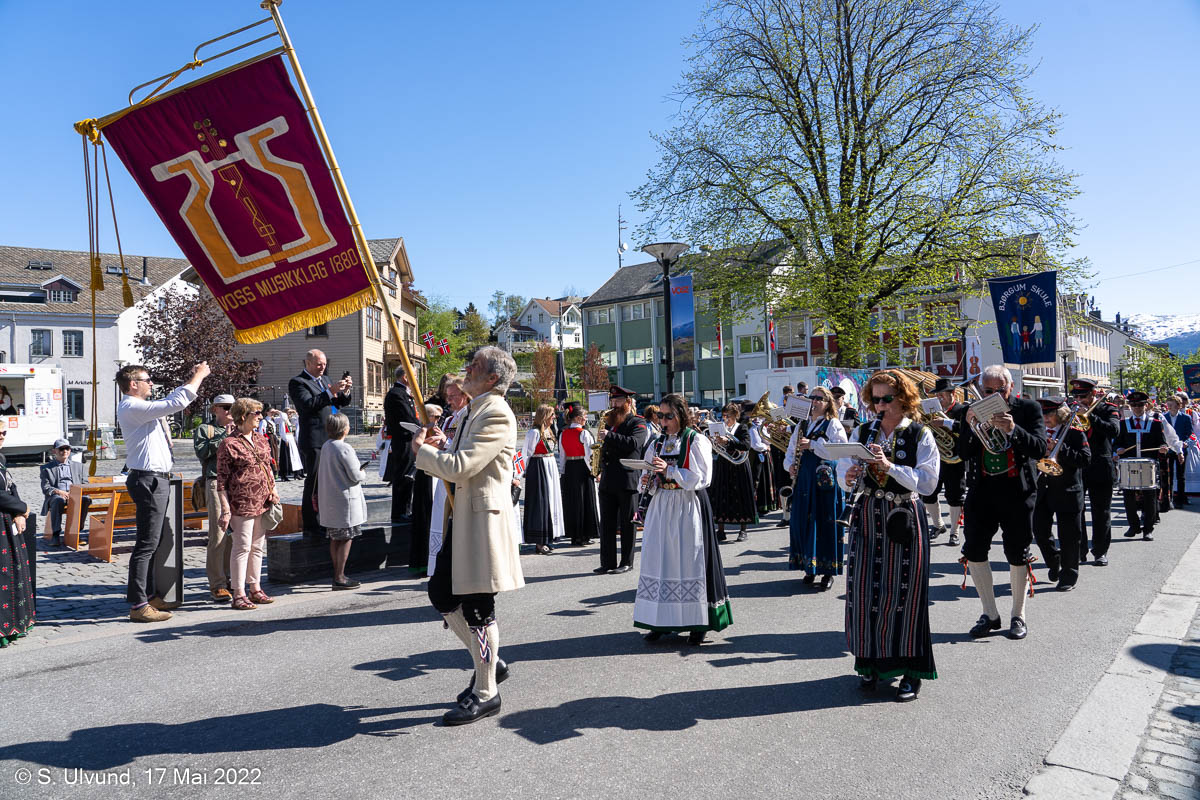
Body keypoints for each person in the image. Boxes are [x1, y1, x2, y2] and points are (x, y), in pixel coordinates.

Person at [411, 346, 524, 726]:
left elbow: (463, 467)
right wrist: (442, 446)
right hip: (463, 517)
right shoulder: (475, 409)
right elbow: (465, 458)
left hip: (481, 522)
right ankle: (491, 662)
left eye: (475, 366)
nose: (466, 369)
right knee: (441, 593)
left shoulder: (495, 411)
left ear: (492, 378)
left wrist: (423, 454)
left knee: (478, 607)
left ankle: (487, 691)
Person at [838, 370, 939, 702]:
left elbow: (928, 483)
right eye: (875, 399)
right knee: (864, 590)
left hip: (902, 515)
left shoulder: (920, 434)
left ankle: (911, 672)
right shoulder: (863, 431)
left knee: (904, 594)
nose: (879, 405)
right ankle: (870, 664)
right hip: (868, 514)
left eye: (886, 399)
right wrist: (848, 475)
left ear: (904, 399)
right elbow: (845, 469)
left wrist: (890, 466)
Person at [634, 393, 732, 644]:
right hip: (662, 506)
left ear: (680, 414)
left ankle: (698, 622)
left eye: (668, 416)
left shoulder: (695, 440)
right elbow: (648, 474)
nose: (663, 421)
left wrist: (669, 470)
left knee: (690, 559)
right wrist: (647, 480)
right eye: (661, 416)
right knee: (661, 559)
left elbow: (702, 478)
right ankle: (661, 620)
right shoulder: (657, 443)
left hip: (688, 505)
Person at [117, 361, 209, 623]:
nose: (151, 383)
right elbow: (175, 403)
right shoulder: (131, 405)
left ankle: (146, 597)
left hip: (154, 479)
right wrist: (198, 376)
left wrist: (190, 379)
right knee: (146, 543)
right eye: (147, 380)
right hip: (148, 480)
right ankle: (139, 604)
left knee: (152, 542)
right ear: (133, 384)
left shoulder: (140, 407)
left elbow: (170, 401)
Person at [961, 365, 1047, 642]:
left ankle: (1018, 614)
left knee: (1017, 551)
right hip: (982, 490)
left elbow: (1040, 448)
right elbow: (963, 452)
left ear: (1011, 387)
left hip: (1016, 491)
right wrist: (971, 427)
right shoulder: (970, 410)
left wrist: (1013, 429)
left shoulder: (1029, 409)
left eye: (1000, 390)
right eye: (988, 391)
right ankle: (989, 613)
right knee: (974, 549)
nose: (994, 396)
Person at [216, 398, 279, 610]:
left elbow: (268, 467)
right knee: (242, 547)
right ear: (243, 416)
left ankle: (255, 588)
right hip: (241, 502)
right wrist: (225, 509)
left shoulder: (261, 439)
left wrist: (273, 489)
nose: (260, 416)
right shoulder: (229, 443)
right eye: (256, 413)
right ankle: (238, 593)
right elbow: (221, 481)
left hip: (262, 499)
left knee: (257, 546)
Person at [784, 386, 847, 589]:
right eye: (813, 398)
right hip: (804, 478)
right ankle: (809, 567)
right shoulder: (802, 424)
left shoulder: (833, 423)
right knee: (803, 521)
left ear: (828, 403)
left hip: (825, 480)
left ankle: (828, 572)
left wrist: (813, 445)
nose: (815, 401)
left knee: (825, 522)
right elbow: (790, 450)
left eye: (820, 398)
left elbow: (840, 451)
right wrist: (790, 465)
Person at [288, 350, 352, 538]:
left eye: (324, 364)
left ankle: (325, 519)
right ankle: (311, 524)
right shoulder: (298, 382)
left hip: (330, 437)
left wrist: (344, 391)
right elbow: (307, 405)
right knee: (314, 481)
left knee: (328, 482)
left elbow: (338, 403)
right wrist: (330, 392)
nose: (322, 367)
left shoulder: (325, 380)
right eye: (318, 364)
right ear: (307, 363)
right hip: (314, 439)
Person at [1031, 397, 1091, 592]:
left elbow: (1085, 459)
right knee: (1040, 532)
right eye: (1043, 414)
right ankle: (1053, 559)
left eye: (1049, 414)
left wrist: (1060, 449)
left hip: (1068, 490)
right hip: (1042, 489)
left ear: (1060, 414)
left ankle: (1068, 576)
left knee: (1069, 537)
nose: (1045, 418)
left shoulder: (1074, 432)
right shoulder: (1038, 431)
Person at [595, 386, 649, 574]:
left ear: (627, 402)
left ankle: (627, 562)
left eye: (617, 401)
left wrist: (609, 436)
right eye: (612, 400)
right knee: (607, 523)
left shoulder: (637, 422)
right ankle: (607, 562)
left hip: (627, 479)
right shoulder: (609, 422)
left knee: (627, 524)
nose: (614, 404)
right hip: (608, 478)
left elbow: (634, 444)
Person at [1116, 391, 1179, 540]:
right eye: (1133, 405)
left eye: (1140, 405)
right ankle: (1133, 526)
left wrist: (1163, 447)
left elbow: (1162, 441)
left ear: (1146, 405)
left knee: (1150, 498)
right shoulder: (1123, 423)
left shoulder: (1155, 423)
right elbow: (1117, 443)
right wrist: (1118, 449)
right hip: (1129, 465)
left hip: (1148, 465)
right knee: (1128, 497)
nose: (1137, 408)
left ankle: (1148, 529)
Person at [1069, 379, 1119, 567]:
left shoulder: (1108, 409)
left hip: (1101, 466)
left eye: (1083, 396)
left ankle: (1100, 551)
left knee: (1101, 511)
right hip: (1078, 466)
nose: (1079, 400)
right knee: (1076, 510)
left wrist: (1090, 417)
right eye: (1076, 396)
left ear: (1094, 394)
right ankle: (1079, 550)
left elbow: (1114, 430)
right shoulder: (1070, 410)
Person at [193, 395, 235, 602]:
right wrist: (224, 437)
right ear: (215, 409)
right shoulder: (206, 429)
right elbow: (202, 453)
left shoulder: (240, 428)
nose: (230, 411)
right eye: (226, 407)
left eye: (233, 407)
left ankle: (231, 579)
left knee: (234, 535)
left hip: (238, 483)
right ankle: (217, 584)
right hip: (216, 482)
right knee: (218, 534)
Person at [319, 412, 368, 590]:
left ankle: (338, 574)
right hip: (345, 500)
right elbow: (355, 475)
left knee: (335, 538)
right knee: (346, 537)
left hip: (330, 498)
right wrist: (363, 472)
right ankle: (339, 576)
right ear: (344, 429)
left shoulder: (326, 445)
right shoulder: (344, 448)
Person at [428, 376, 470, 577]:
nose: (449, 400)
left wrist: (445, 441)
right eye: (447, 396)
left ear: (465, 395)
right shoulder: (450, 419)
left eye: (453, 395)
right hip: (444, 475)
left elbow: (465, 449)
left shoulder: (469, 417)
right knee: (441, 522)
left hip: (458, 478)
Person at [920, 378, 968, 545]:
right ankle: (938, 524)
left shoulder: (961, 409)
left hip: (955, 459)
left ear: (952, 394)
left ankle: (954, 532)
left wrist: (945, 423)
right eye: (938, 395)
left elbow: (967, 428)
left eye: (942, 395)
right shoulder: (932, 410)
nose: (939, 398)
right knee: (928, 493)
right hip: (934, 458)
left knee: (955, 496)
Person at [0, 422, 34, 648]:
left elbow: (11, 488)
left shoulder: (1, 458)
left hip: (6, 524)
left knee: (12, 573)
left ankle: (13, 625)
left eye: (3, 432)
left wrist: (20, 513)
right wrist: (21, 507)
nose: (1, 436)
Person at [520, 404, 565, 554]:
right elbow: (526, 453)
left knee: (551, 502)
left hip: (550, 466)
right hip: (538, 467)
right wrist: (521, 473)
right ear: (544, 416)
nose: (554, 417)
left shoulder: (549, 431)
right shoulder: (534, 432)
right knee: (541, 503)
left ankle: (548, 537)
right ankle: (539, 541)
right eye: (552, 414)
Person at [709, 402, 757, 542]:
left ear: (736, 415)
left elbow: (746, 445)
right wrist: (714, 442)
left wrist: (728, 442)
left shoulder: (741, 427)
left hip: (739, 465)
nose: (725, 419)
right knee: (721, 495)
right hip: (724, 464)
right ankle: (721, 530)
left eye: (728, 416)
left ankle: (743, 530)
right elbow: (714, 449)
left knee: (741, 495)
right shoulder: (720, 428)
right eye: (723, 416)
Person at [557, 405, 601, 547]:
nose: (586, 419)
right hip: (583, 468)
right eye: (584, 416)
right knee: (585, 500)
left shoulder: (563, 434)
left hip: (570, 468)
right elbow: (590, 455)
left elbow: (562, 455)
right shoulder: (584, 433)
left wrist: (563, 472)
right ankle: (585, 534)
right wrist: (595, 471)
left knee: (573, 502)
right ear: (577, 418)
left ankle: (575, 535)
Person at [408, 402, 443, 576]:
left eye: (439, 417)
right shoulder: (421, 430)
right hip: (426, 475)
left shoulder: (438, 430)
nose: (438, 420)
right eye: (435, 417)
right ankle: (422, 561)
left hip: (438, 472)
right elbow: (417, 447)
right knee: (425, 515)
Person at [385, 367, 419, 524]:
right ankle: (400, 512)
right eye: (414, 375)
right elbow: (408, 417)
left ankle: (405, 510)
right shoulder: (397, 394)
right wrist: (423, 427)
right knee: (403, 474)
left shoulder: (403, 393)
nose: (416, 379)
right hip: (403, 439)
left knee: (408, 475)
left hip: (408, 438)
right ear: (406, 377)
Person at [40, 439, 88, 546]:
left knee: (86, 499)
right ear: (54, 451)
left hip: (74, 494)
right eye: (61, 449)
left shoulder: (79, 466)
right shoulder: (46, 468)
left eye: (67, 448)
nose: (65, 451)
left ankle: (76, 532)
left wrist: (74, 492)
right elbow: (46, 488)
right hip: (56, 496)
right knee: (58, 501)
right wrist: (58, 491)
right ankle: (56, 534)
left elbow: (85, 484)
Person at [1163, 395, 1193, 507]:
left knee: (1181, 476)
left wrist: (1185, 443)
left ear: (1178, 405)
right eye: (1168, 404)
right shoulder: (1164, 417)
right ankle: (1169, 499)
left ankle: (1181, 498)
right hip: (1168, 450)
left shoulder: (1186, 418)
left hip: (1181, 449)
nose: (1169, 406)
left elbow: (1189, 434)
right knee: (1168, 475)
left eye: (1172, 404)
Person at [748, 414, 777, 516]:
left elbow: (768, 440)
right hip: (757, 457)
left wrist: (769, 432)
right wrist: (766, 446)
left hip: (765, 455)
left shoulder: (760, 426)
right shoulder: (752, 427)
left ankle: (767, 505)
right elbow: (756, 445)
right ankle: (759, 506)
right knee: (759, 480)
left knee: (767, 480)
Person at [271, 408, 303, 482]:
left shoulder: (289, 420)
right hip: (285, 438)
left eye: (290, 413)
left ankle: (296, 473)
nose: (290, 414)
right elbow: (283, 416)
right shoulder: (282, 419)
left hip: (291, 438)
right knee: (285, 457)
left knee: (295, 456)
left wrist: (294, 412)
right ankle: (284, 475)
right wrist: (277, 411)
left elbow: (298, 419)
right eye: (289, 413)